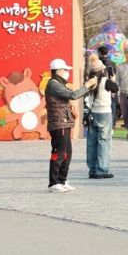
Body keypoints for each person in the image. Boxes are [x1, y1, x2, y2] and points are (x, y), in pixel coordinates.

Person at [45, 59, 97, 193]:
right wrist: (87, 85)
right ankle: (54, 182)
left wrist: (88, 87)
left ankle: (62, 180)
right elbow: (73, 95)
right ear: (58, 71)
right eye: (65, 70)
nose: (67, 72)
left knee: (67, 153)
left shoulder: (59, 84)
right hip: (59, 123)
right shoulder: (54, 84)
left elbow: (70, 96)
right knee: (59, 153)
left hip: (64, 122)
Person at [86, 60, 116, 179]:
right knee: (104, 141)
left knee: (92, 142)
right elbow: (115, 88)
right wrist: (112, 79)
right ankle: (101, 170)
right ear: (102, 70)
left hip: (93, 113)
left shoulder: (90, 81)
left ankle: (92, 169)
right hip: (104, 113)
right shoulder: (105, 81)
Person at [97, 46, 118, 125]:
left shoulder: (97, 63)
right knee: (112, 106)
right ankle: (111, 124)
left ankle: (102, 123)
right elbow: (114, 76)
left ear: (99, 53)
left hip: (99, 87)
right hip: (110, 86)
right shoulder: (113, 63)